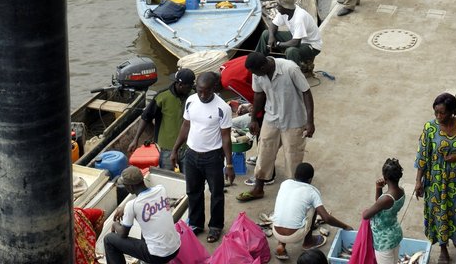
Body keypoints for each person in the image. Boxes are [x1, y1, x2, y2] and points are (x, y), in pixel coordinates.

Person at [236, 51, 315, 202]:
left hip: (294, 119)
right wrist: (253, 119)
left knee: (293, 156)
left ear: (264, 65)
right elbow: (259, 95)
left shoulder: (290, 69)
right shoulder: (257, 73)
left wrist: (310, 122)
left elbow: (306, 92)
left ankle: (293, 193)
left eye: (257, 72)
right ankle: (258, 188)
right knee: (264, 150)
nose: (256, 76)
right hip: (271, 117)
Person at [169, 71, 234, 243]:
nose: (202, 95)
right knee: (193, 192)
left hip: (213, 157)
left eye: (206, 91)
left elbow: (226, 137)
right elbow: (186, 125)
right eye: (199, 90)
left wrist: (229, 165)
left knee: (217, 194)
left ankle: (215, 226)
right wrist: (175, 149)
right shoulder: (191, 101)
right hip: (191, 154)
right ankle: (196, 224)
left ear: (214, 88)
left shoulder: (223, 108)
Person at [415, 93, 456, 263]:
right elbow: (422, 155)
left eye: (442, 113)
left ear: (452, 111)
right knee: (440, 214)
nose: (438, 116)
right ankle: (443, 249)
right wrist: (418, 181)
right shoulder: (430, 128)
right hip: (436, 183)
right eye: (436, 112)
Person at [272, 162, 353, 261]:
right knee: (314, 207)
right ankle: (308, 242)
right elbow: (326, 218)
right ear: (310, 179)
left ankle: (281, 244)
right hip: (294, 235)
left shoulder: (285, 183)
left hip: (275, 231)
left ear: (295, 175)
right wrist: (345, 226)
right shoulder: (312, 191)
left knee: (287, 207)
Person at [103, 166, 180, 264]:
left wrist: (115, 224)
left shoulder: (132, 205)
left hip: (157, 256)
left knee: (109, 240)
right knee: (148, 223)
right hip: (175, 248)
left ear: (130, 187)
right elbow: (146, 202)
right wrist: (125, 208)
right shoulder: (161, 189)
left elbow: (123, 234)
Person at [127, 67, 195, 171]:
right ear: (180, 85)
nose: (191, 88)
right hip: (167, 147)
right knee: (167, 175)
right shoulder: (162, 96)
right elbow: (146, 117)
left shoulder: (194, 96)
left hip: (188, 146)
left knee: (189, 178)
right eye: (189, 86)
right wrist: (135, 139)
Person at [255, 0, 322, 70]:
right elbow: (273, 25)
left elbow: (295, 43)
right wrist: (271, 37)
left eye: (278, 5)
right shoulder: (284, 12)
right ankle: (258, 60)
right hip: (296, 37)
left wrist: (279, 44)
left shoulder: (299, 18)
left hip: (311, 45)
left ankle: (295, 72)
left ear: (285, 7)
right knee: (266, 34)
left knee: (291, 51)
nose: (276, 7)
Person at [362, 158, 405, 264]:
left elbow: (366, 215)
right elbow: (380, 204)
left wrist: (378, 189)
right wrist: (378, 188)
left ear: (385, 178)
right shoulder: (401, 192)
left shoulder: (386, 199)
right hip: (394, 233)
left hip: (384, 241)